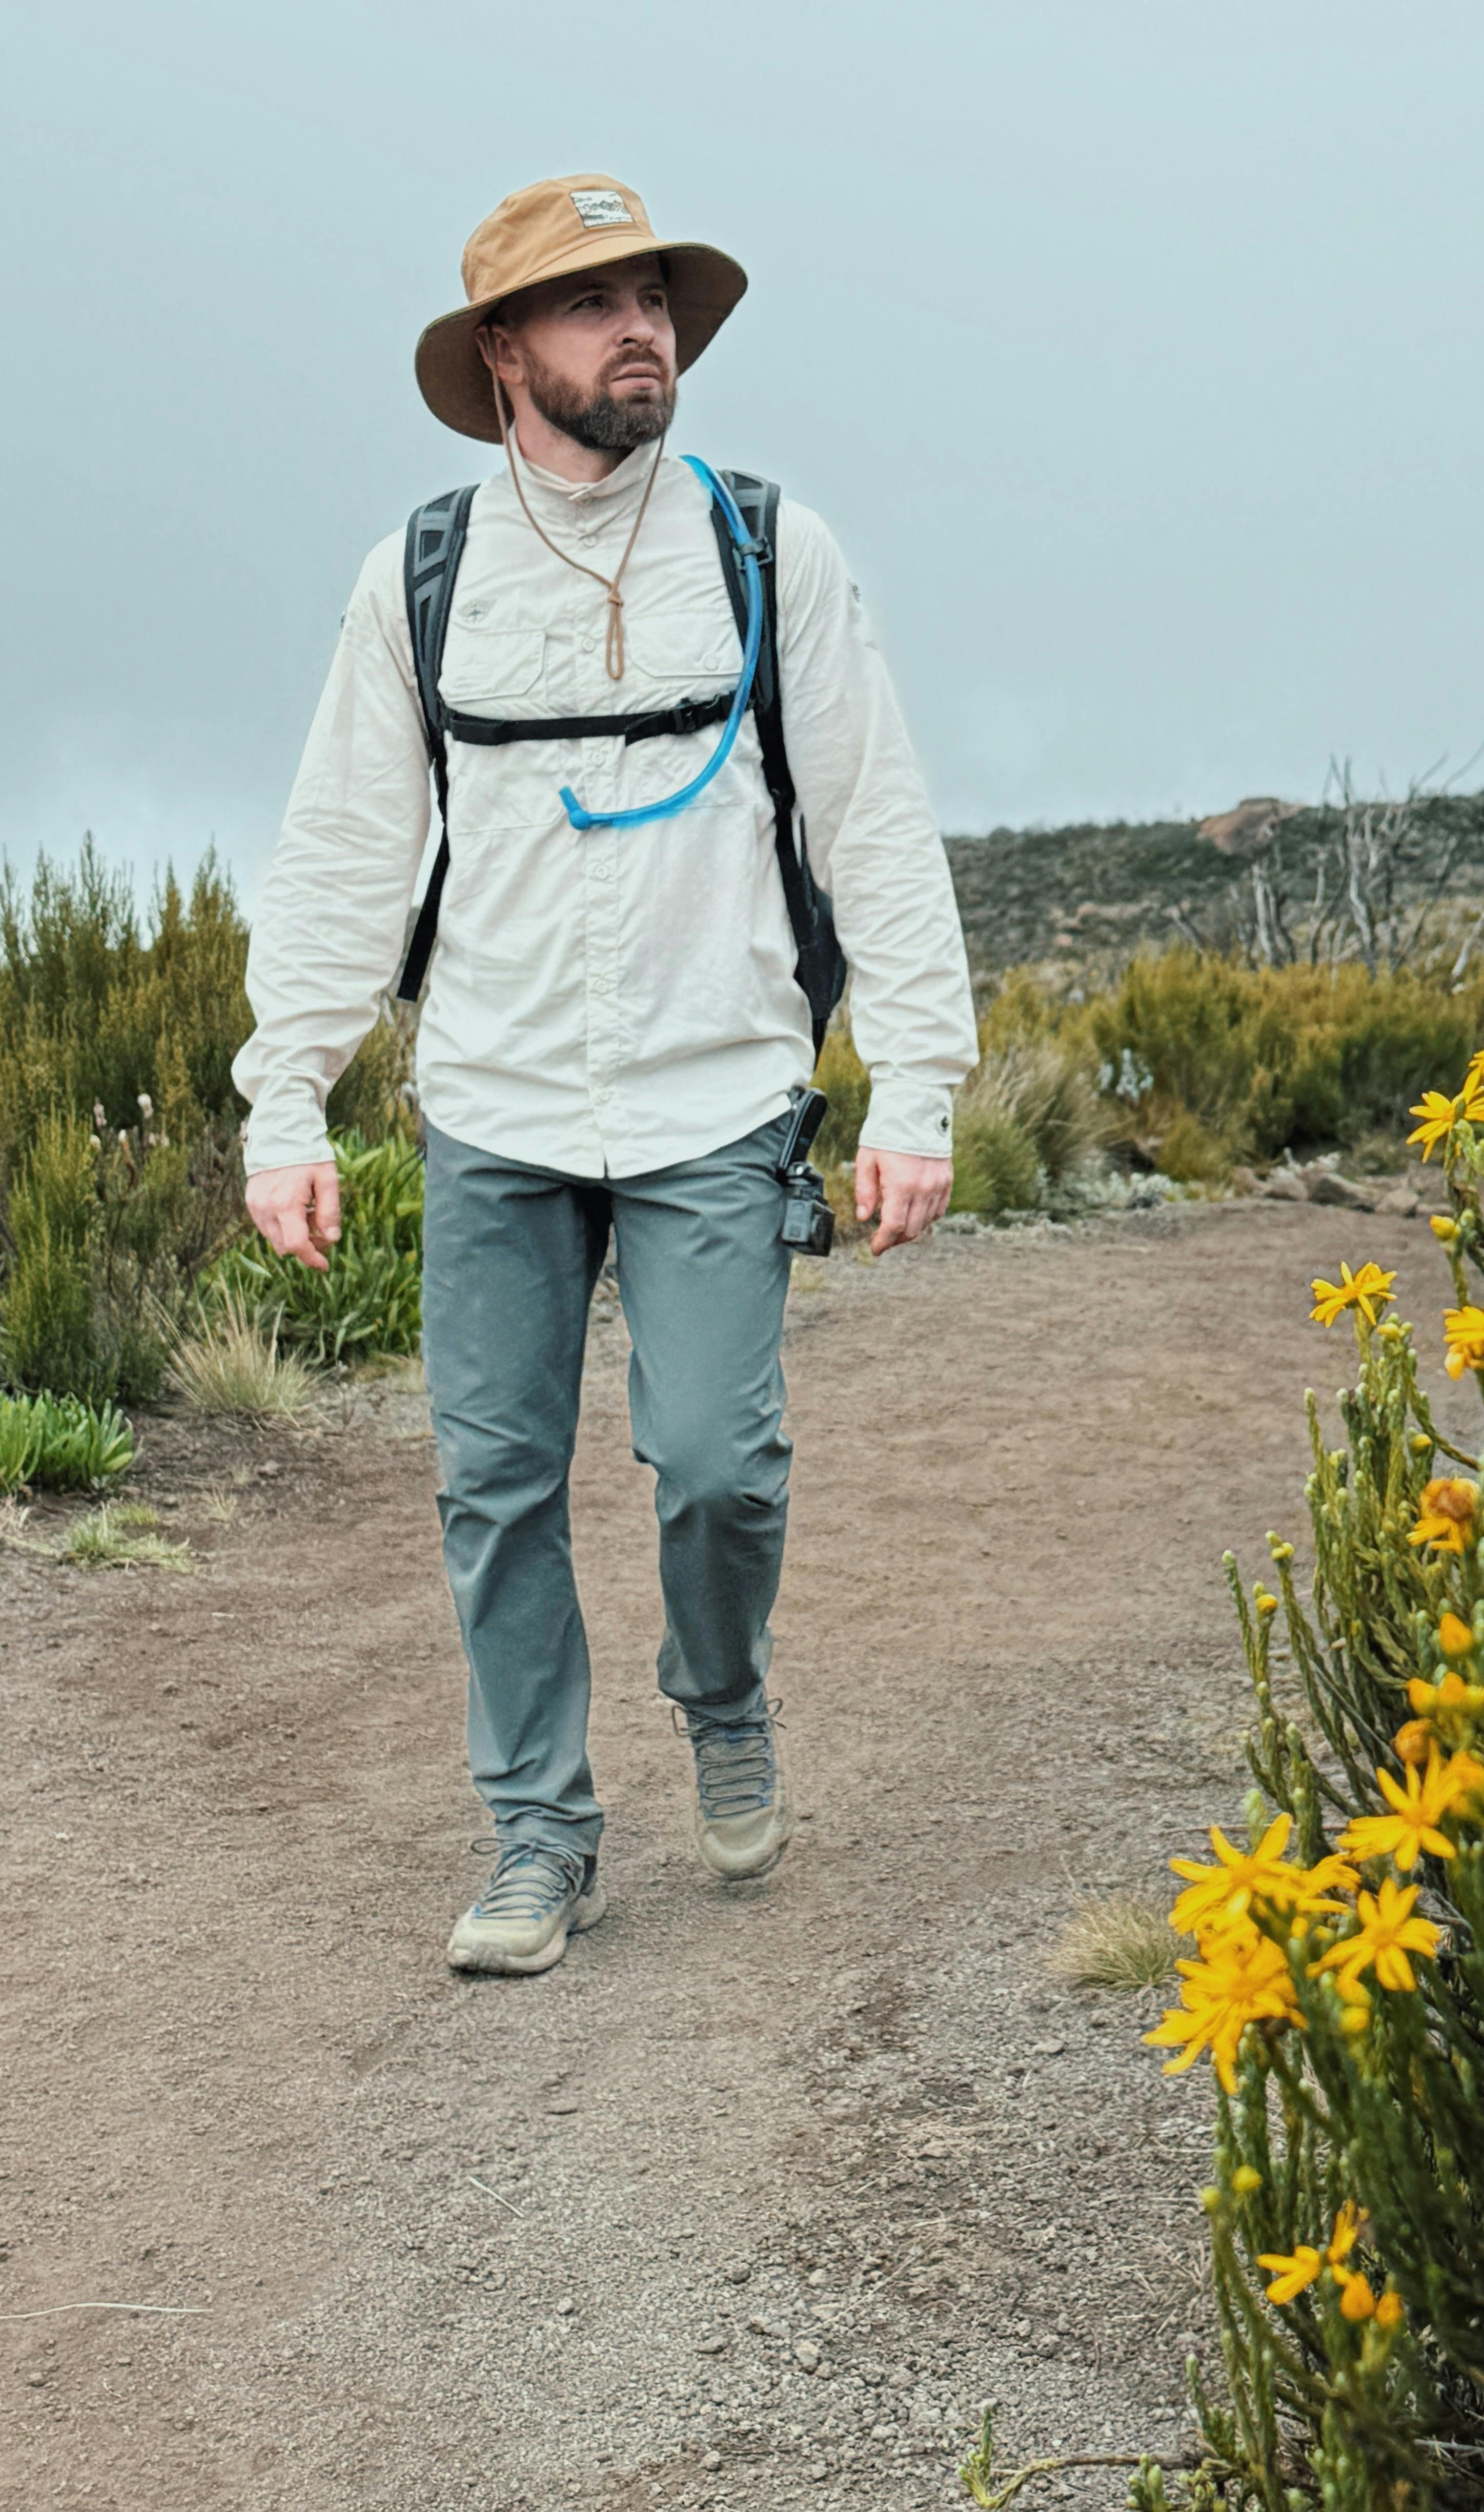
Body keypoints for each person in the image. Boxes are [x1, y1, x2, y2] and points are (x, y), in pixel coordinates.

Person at [232, 174, 977, 1975]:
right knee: (493, 1482)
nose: (639, 328)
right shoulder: (421, 578)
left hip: (716, 1090)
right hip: (492, 1103)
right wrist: (287, 1094)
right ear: (504, 352)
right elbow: (344, 851)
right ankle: (538, 1833)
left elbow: (874, 823)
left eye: (652, 298)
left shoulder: (769, 549)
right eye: (591, 304)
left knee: (718, 1462)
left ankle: (721, 1696)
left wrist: (916, 1084)